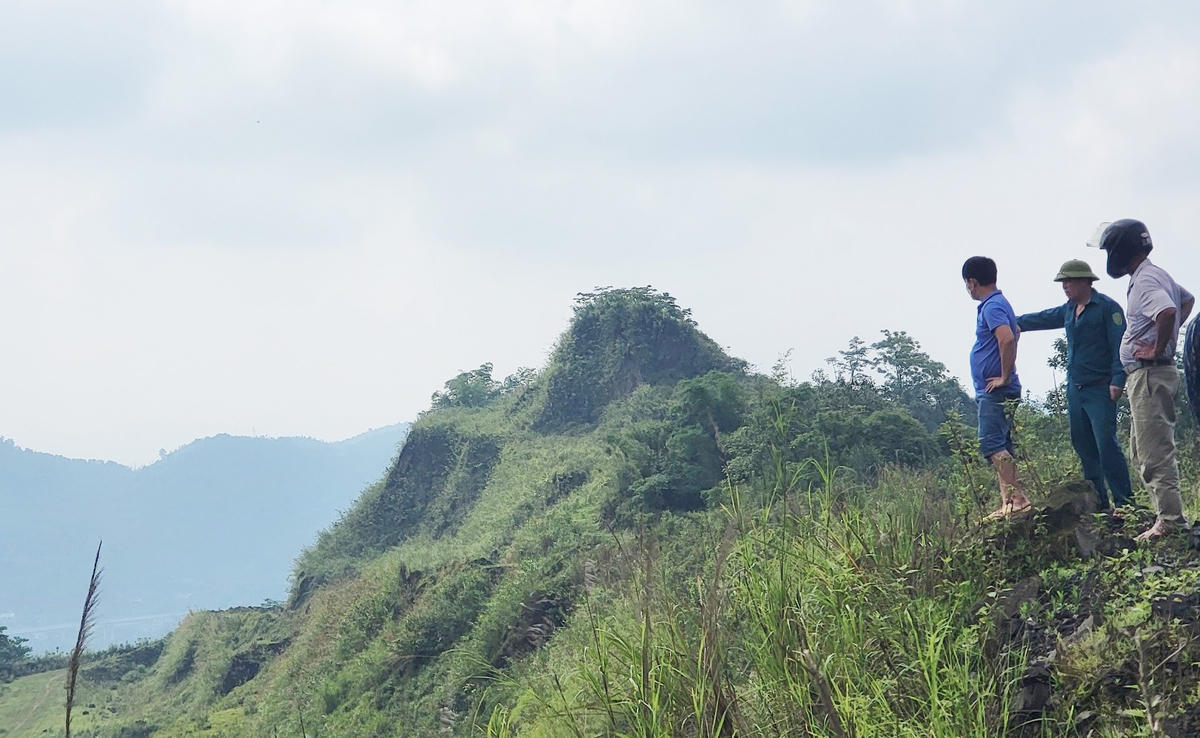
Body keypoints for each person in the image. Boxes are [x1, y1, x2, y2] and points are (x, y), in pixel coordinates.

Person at [1093, 219, 1194, 540]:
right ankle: (1165, 516)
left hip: (1150, 373)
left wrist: (1157, 346)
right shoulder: (1153, 274)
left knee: (1154, 452)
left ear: (1121, 250)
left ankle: (1171, 522)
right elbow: (1186, 300)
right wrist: (1166, 337)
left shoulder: (1146, 280)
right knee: (1141, 449)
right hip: (1147, 374)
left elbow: (1167, 310)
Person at [1016, 259, 1133, 510]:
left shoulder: (1107, 308)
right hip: (1075, 389)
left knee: (1106, 444)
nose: (1064, 286)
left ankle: (1125, 503)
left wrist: (1118, 379)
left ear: (1084, 281)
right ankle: (1099, 505)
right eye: (1063, 281)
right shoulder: (1069, 309)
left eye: (1068, 281)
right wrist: (1014, 322)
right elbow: (1044, 318)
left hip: (1100, 387)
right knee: (1084, 446)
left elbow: (1120, 345)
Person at [963, 256, 1031, 517]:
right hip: (997, 388)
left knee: (991, 443)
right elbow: (1016, 332)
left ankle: (1018, 499)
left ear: (972, 282)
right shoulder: (998, 304)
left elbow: (1007, 338)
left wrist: (1003, 376)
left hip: (997, 389)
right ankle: (1009, 502)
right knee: (1002, 444)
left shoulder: (992, 306)